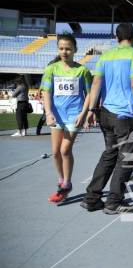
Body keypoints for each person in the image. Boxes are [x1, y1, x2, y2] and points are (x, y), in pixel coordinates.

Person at [81, 23, 133, 214]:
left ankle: (92, 198)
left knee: (109, 154)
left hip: (105, 112)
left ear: (116, 38)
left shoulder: (105, 56)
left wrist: (91, 109)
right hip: (125, 114)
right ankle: (114, 201)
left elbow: (96, 82)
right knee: (127, 157)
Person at [40, 33, 92, 203]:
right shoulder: (51, 69)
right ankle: (62, 181)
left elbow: (90, 94)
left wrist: (84, 114)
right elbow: (46, 92)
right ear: (58, 49)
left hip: (74, 116)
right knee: (55, 152)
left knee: (65, 150)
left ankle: (66, 183)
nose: (64, 51)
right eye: (61, 48)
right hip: (56, 116)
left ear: (75, 50)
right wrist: (48, 113)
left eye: (68, 48)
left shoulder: (82, 70)